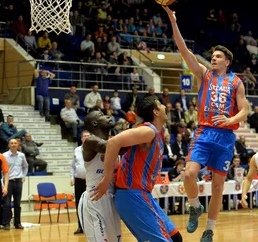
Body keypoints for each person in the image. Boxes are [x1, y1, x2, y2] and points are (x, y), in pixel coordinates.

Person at [163, 5, 248, 242]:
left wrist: (231, 119)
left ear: (227, 62)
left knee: (218, 186)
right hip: (204, 132)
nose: (213, 57)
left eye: (218, 56)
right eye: (212, 55)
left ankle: (209, 229)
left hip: (225, 136)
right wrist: (173, 22)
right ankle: (194, 206)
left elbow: (245, 111)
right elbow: (183, 50)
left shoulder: (236, 82)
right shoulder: (204, 74)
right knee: (189, 174)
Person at [91, 96, 182, 242]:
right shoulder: (148, 131)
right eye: (161, 105)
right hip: (132, 195)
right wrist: (107, 177)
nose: (166, 107)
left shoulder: (158, 130)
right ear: (156, 112)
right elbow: (113, 142)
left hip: (142, 193)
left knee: (175, 238)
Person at [78, 112, 122, 242]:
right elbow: (114, 148)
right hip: (95, 198)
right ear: (95, 123)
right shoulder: (90, 141)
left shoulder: (113, 141)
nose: (109, 116)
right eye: (102, 115)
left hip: (111, 198)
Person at [1, 138, 28, 230]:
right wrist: (2, 183)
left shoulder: (22, 155)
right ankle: (6, 223)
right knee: (7, 204)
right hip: (8, 182)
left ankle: (17, 223)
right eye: (11, 143)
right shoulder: (4, 156)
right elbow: (1, 171)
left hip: (18, 182)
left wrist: (23, 176)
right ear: (9, 145)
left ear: (18, 145)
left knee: (17, 203)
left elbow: (25, 167)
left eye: (15, 143)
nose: (13, 145)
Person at [70, 130, 91, 235]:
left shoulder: (94, 149)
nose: (86, 137)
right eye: (85, 136)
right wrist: (71, 177)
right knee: (79, 203)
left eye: (88, 136)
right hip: (79, 180)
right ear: (81, 138)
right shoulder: (77, 150)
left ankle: (91, 226)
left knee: (91, 203)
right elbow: (73, 166)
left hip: (91, 180)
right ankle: (80, 226)